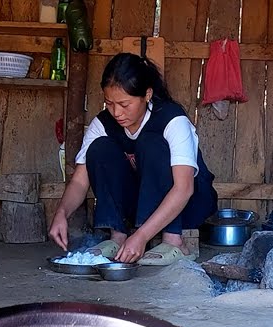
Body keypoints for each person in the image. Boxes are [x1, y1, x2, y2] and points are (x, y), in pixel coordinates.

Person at [48, 53, 218, 265]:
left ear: (147, 95)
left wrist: (141, 236)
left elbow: (184, 189)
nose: (117, 112)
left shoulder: (172, 119)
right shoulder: (103, 124)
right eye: (109, 103)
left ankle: (175, 241)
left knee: (151, 143)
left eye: (124, 104)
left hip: (189, 204)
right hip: (141, 206)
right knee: (99, 149)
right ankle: (117, 237)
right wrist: (62, 213)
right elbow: (80, 181)